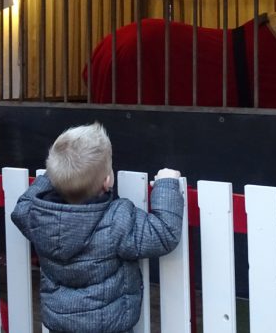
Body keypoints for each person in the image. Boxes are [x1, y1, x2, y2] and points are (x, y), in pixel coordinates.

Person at [11, 122, 184, 333]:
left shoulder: (36, 216)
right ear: (107, 181)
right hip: (108, 326)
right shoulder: (116, 219)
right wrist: (166, 185)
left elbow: (22, 208)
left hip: (60, 324)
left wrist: (56, 176)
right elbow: (163, 233)